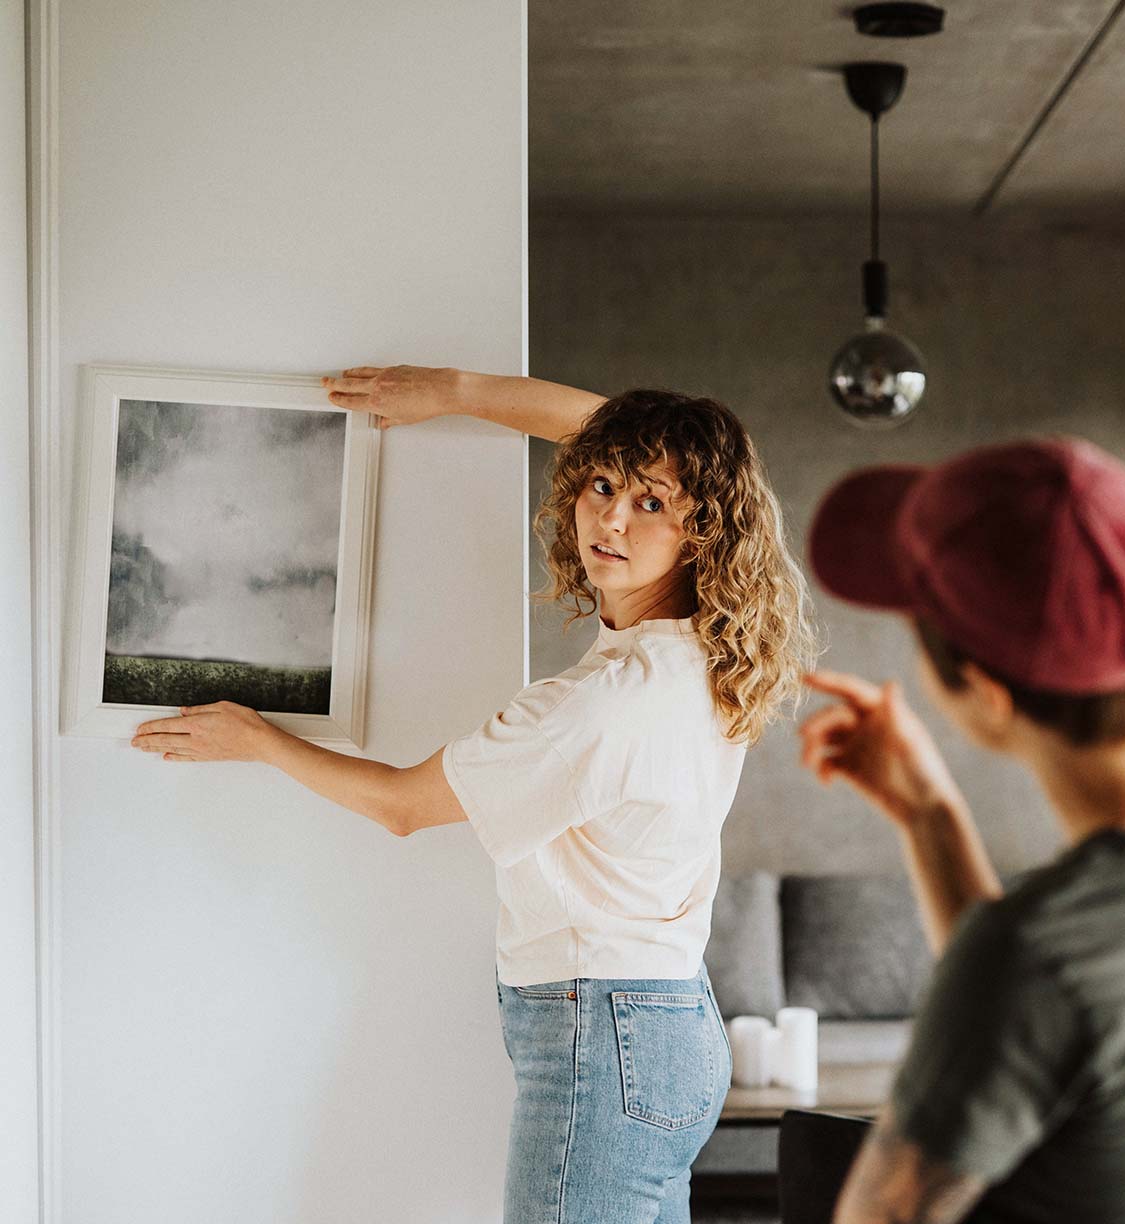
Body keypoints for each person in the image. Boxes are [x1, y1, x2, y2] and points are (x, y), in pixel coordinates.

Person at [131, 364, 817, 1224]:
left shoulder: (603, 703)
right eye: (602, 486)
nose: (611, 515)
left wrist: (261, 741)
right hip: (665, 1022)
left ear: (703, 531)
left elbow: (403, 806)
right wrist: (454, 391)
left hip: (603, 1034)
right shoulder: (699, 657)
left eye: (651, 504)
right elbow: (620, 434)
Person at [799, 437, 1125, 1224]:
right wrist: (928, 814)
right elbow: (1046, 1039)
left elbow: (882, 1217)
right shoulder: (1078, 941)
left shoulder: (1037, 951)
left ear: (986, 693)